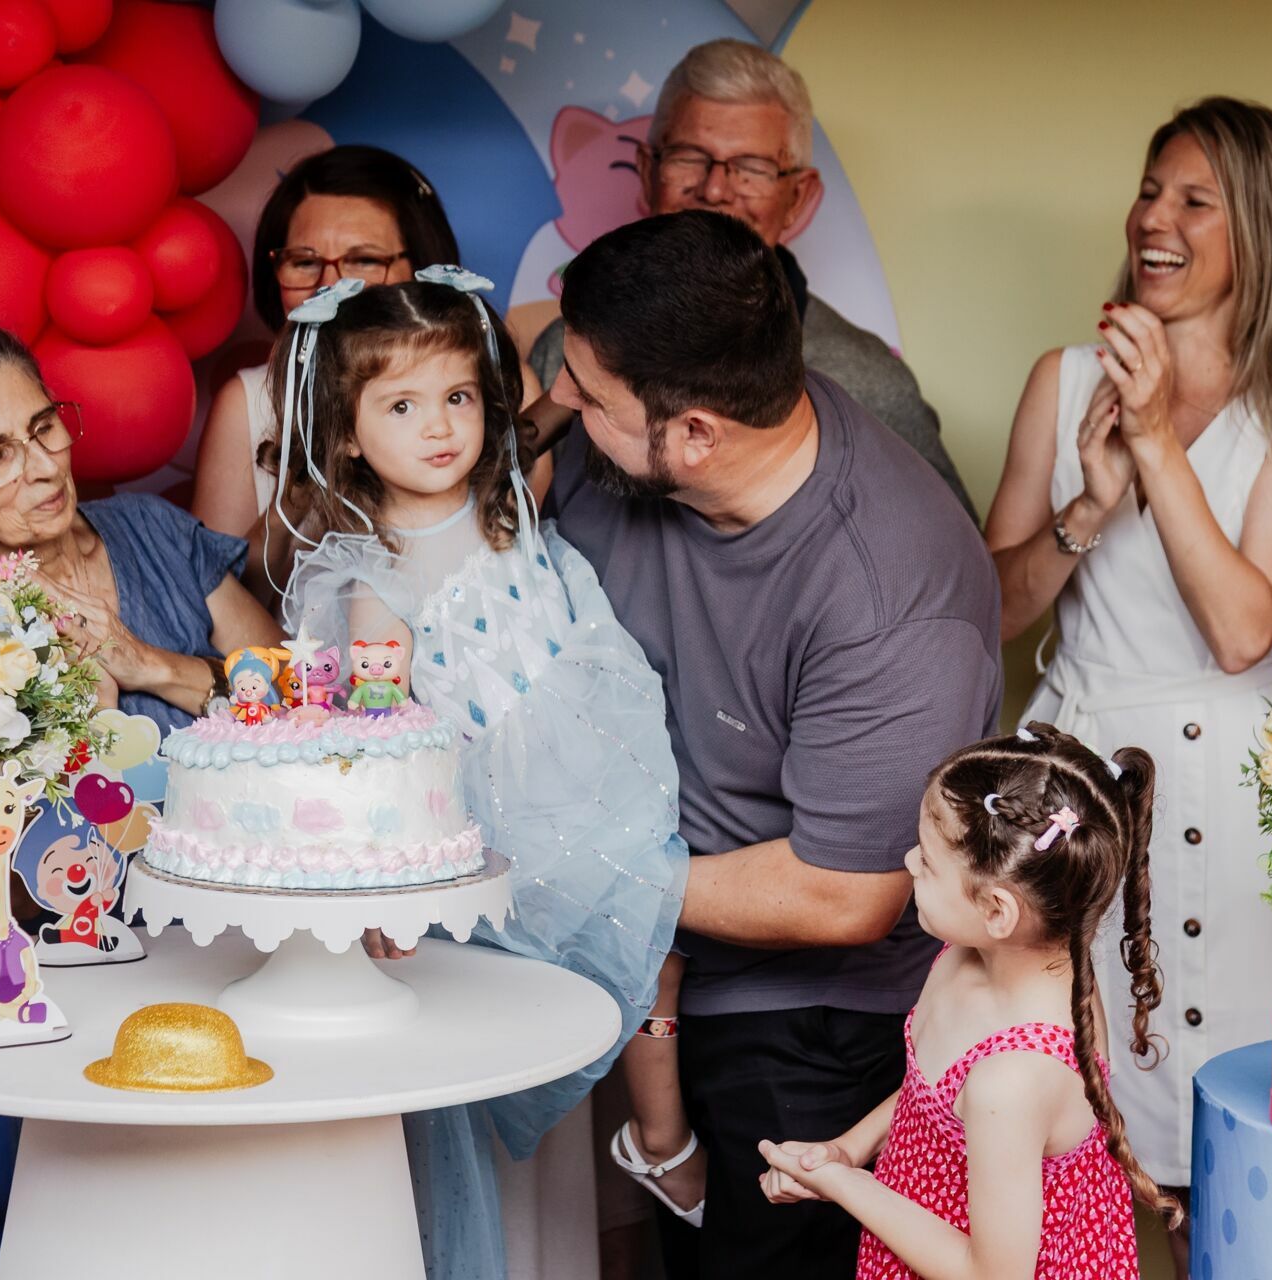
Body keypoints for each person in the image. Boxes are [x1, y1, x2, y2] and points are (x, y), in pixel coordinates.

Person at [546, 209, 1002, 1279]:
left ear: (697, 434)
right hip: (643, 964)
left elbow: (843, 896)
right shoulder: (628, 446)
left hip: (810, 1022)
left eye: (590, 396)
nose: (558, 402)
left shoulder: (892, 593)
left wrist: (572, 875)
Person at [985, 97, 1272, 1265]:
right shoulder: (1062, 379)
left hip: (1241, 797)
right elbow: (992, 607)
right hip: (1079, 785)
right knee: (1058, 1116)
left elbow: (1243, 629)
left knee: (1235, 1125)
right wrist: (1088, 508)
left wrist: (1154, 440)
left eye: (1195, 200)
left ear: (1260, 230)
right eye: (1151, 190)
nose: (1155, 218)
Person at [264, 269, 687, 1280]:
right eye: (402, 406)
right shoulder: (371, 577)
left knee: (610, 990)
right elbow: (381, 738)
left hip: (583, 793)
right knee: (489, 1071)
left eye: (457, 396)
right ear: (347, 433)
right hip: (483, 838)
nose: (440, 427)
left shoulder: (510, 502)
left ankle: (649, 1149)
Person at [757, 724, 1171, 1280]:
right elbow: (929, 1096)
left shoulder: (1015, 1077)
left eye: (928, 861)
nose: (909, 861)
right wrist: (848, 1149)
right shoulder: (970, 954)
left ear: (997, 910)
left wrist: (846, 1185)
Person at [526, 38, 976, 521]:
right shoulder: (568, 351)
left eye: (752, 168)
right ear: (646, 171)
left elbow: (944, 547)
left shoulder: (866, 378)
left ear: (798, 198)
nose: (715, 189)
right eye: (687, 157)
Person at [0, 302, 282, 738]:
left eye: (45, 427)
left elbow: (298, 689)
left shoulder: (150, 527)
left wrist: (151, 665)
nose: (47, 467)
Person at [189, 146, 518, 593]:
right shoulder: (244, 402)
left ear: (422, 268)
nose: (332, 286)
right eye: (305, 262)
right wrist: (304, 479)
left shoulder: (486, 376)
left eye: (364, 260)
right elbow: (216, 597)